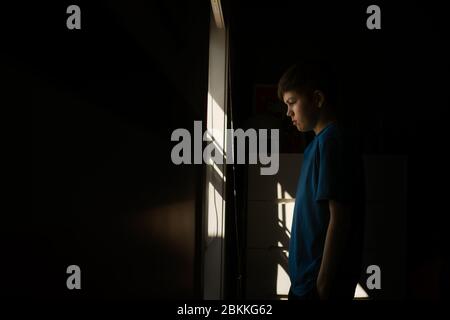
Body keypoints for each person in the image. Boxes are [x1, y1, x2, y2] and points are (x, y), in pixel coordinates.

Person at [278, 61, 365, 300]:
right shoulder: (316, 145)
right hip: (304, 283)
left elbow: (340, 218)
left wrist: (323, 285)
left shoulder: (332, 141)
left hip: (317, 288)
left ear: (317, 99)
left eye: (292, 102)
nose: (288, 113)